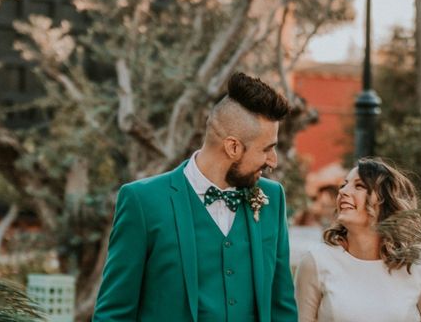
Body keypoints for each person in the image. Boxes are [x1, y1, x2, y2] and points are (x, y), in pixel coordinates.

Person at [93, 72, 298, 322]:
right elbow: (114, 313)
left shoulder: (272, 199)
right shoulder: (142, 201)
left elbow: (282, 306)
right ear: (233, 147)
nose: (273, 161)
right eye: (267, 149)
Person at [295, 158, 421, 322]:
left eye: (359, 186)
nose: (343, 191)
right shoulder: (316, 262)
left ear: (387, 202)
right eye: (344, 185)